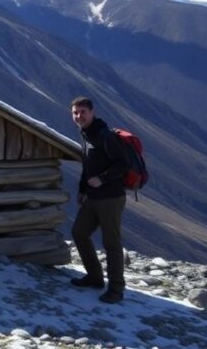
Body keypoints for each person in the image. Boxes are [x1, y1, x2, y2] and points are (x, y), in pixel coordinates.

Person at [69, 96, 128, 304]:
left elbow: (123, 164)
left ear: (92, 112)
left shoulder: (104, 135)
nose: (79, 116)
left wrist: (101, 179)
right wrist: (82, 189)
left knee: (111, 242)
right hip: (93, 197)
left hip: (111, 197)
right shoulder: (86, 134)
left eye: (83, 112)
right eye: (75, 113)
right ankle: (95, 277)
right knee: (79, 232)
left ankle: (116, 289)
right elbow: (88, 166)